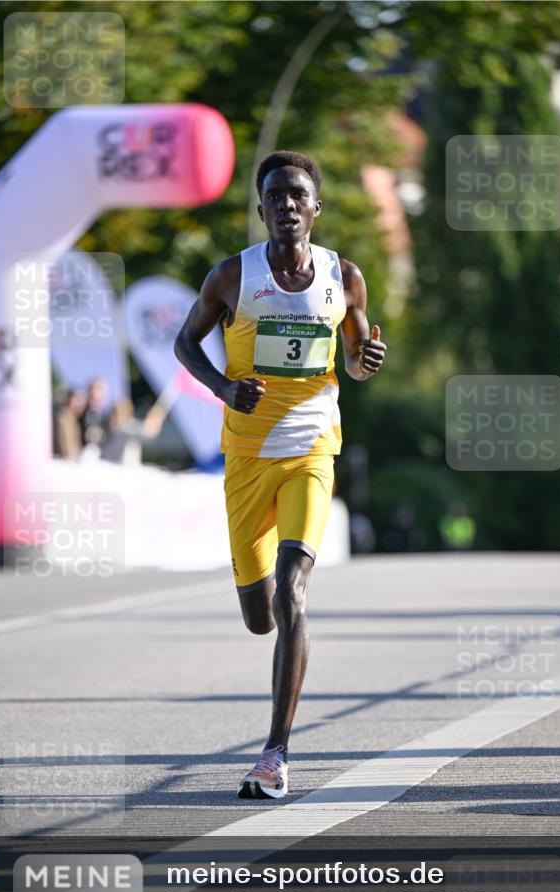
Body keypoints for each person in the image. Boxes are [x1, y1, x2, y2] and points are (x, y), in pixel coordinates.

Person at [174, 150, 387, 799]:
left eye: (297, 195)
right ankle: (264, 611)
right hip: (246, 457)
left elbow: (355, 357)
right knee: (259, 616)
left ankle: (274, 754)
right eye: (274, 196)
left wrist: (365, 361)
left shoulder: (344, 277)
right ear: (261, 208)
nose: (286, 205)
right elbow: (185, 342)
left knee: (292, 592)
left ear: (315, 208)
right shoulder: (231, 276)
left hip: (313, 449)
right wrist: (222, 386)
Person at [100, 396, 167, 464]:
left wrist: (154, 419)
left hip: (118, 465)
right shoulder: (105, 425)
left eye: (120, 414)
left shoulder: (128, 428)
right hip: (104, 462)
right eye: (115, 414)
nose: (116, 417)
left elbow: (147, 433)